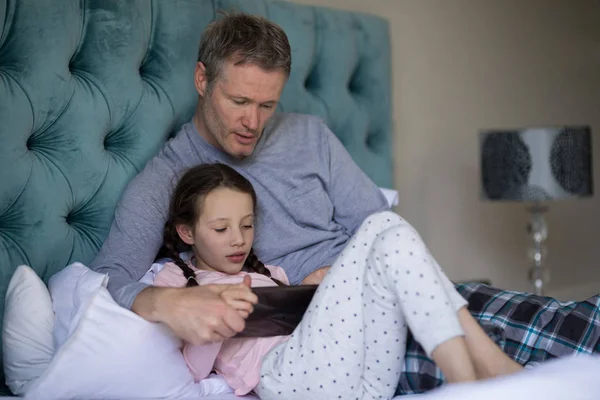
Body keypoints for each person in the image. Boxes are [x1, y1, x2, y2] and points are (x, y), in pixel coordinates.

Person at [89, 11, 600, 395]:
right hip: (320, 338)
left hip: (389, 286)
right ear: (203, 80)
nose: (253, 121)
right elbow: (106, 277)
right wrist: (166, 302)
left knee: (569, 321)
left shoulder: (310, 135)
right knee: (549, 349)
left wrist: (346, 271)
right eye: (239, 101)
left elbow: (380, 227)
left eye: (268, 104)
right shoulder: (169, 176)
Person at [151, 162, 520, 399]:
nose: (238, 239)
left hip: (359, 381)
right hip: (284, 378)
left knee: (390, 229)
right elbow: (192, 372)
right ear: (186, 231)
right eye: (221, 228)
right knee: (381, 224)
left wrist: (315, 290)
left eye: (247, 225)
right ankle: (478, 379)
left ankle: (480, 377)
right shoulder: (176, 281)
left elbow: (312, 332)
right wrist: (217, 321)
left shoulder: (268, 274)